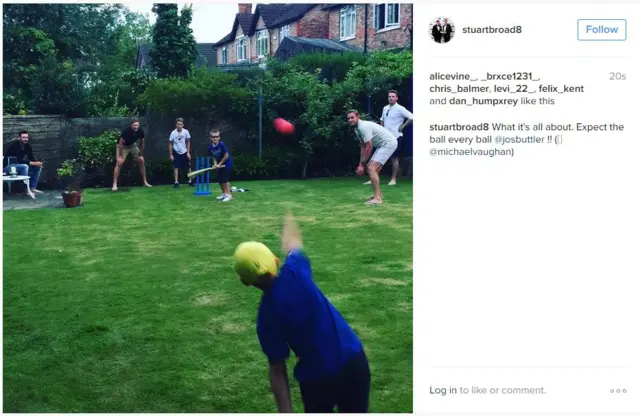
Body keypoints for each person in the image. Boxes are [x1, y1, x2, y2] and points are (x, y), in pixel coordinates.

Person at [232, 215, 371, 413]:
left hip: (318, 379)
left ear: (246, 283)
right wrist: (288, 217)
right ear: (276, 261)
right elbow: (294, 244)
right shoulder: (295, 270)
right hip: (355, 360)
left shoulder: (266, 317)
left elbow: (277, 370)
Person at [347, 110, 397, 205]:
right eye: (348, 118)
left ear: (358, 117)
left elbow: (369, 146)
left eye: (352, 117)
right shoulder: (357, 129)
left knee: (371, 168)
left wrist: (362, 164)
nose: (350, 120)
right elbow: (363, 146)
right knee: (370, 167)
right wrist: (360, 164)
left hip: (388, 143)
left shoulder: (362, 127)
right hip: (382, 145)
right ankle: (378, 195)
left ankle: (378, 199)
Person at [380, 90, 413, 186]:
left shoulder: (400, 108)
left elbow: (412, 117)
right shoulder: (385, 108)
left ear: (397, 98)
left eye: (393, 96)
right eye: (389, 96)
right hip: (385, 137)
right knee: (381, 157)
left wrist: (402, 126)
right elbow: (382, 119)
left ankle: (393, 179)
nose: (391, 98)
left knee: (394, 158)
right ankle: (374, 176)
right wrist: (382, 130)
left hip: (396, 136)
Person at [112, 119, 152, 191]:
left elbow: (142, 142)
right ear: (131, 125)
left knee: (141, 161)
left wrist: (141, 154)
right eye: (134, 125)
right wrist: (120, 156)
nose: (136, 127)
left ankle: (145, 182)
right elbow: (121, 143)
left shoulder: (140, 131)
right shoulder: (126, 131)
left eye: (137, 125)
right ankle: (114, 184)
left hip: (132, 145)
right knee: (119, 162)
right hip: (122, 146)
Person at [3, 130, 43, 196]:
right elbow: (18, 160)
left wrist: (37, 163)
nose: (25, 139)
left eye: (27, 137)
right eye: (23, 137)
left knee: (37, 166)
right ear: (19, 138)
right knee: (24, 166)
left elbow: (31, 158)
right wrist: (33, 163)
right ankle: (26, 189)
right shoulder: (15, 145)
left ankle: (33, 188)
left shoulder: (27, 146)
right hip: (7, 166)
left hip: (17, 166)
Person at [207, 128, 233, 202]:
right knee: (220, 180)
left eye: (217, 136)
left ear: (219, 137)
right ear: (210, 138)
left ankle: (229, 195)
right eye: (213, 137)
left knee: (225, 179)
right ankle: (224, 194)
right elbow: (213, 157)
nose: (215, 138)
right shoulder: (210, 147)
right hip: (219, 164)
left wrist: (219, 164)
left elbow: (226, 156)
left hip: (227, 163)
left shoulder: (221, 144)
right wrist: (215, 164)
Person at [169, 117, 192, 188]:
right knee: (176, 167)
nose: (179, 126)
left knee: (188, 167)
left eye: (181, 124)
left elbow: (188, 142)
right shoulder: (173, 133)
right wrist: (170, 154)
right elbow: (170, 143)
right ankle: (176, 182)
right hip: (176, 151)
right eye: (178, 124)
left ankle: (190, 181)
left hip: (184, 151)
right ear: (176, 125)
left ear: (183, 125)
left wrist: (188, 152)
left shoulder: (186, 132)